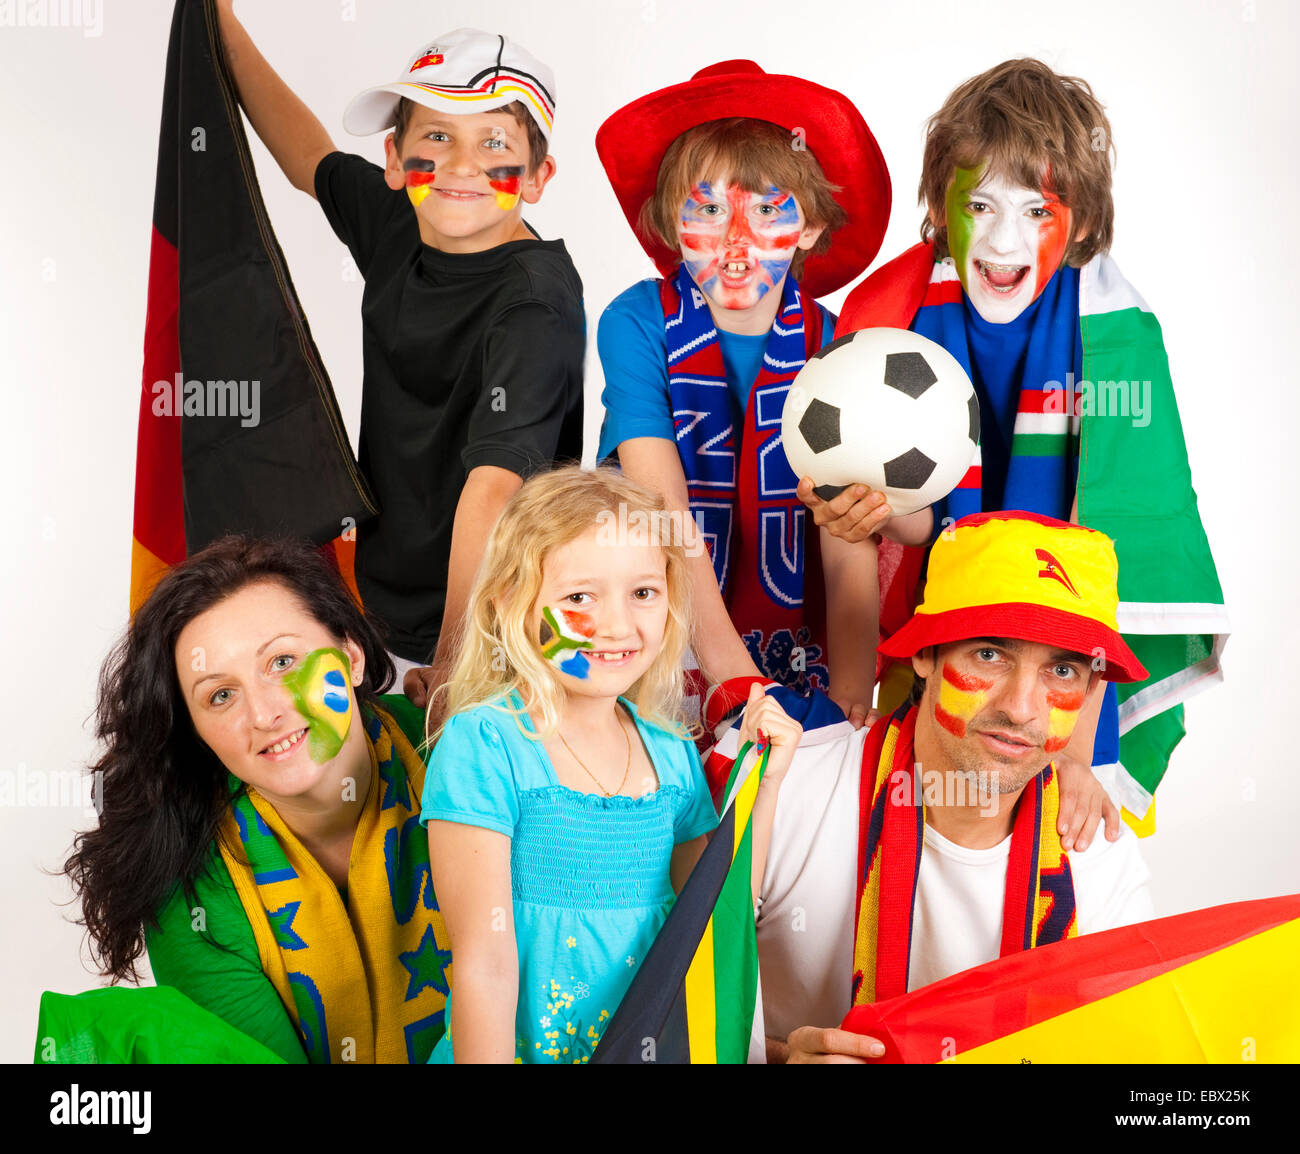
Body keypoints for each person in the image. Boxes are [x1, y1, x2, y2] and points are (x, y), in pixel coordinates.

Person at [818, 59, 1226, 829]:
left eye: (1037, 211)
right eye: (981, 205)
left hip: (1071, 674)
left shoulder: (1117, 336)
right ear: (943, 206)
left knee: (1060, 882)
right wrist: (849, 698)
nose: (1005, 241)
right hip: (939, 649)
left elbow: (1120, 544)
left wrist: (1079, 755)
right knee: (914, 848)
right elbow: (918, 529)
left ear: (1079, 220)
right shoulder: (889, 312)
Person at [215, 6, 585, 717]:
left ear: (538, 177)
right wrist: (219, 23)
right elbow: (307, 158)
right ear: (396, 159)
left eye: (494, 145)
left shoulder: (535, 304)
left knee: (459, 811)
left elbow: (496, 488)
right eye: (436, 138)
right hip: (379, 608)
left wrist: (456, 664)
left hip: (495, 625)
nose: (459, 167)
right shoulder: (398, 224)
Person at [709, 512, 1154, 1063]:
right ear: (924, 654)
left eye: (1061, 672)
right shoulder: (786, 786)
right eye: (989, 656)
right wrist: (779, 1059)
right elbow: (670, 1010)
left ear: (1091, 693)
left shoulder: (1099, 858)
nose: (1019, 708)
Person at [420, 466, 801, 1062]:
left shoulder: (670, 748)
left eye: (643, 593)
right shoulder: (485, 744)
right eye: (578, 598)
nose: (619, 626)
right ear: (510, 604)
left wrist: (768, 783)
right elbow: (484, 963)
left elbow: (714, 913)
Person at [593, 61, 928, 725]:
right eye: (709, 210)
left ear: (808, 229)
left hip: (805, 631)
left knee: (845, 508)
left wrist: (874, 508)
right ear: (670, 223)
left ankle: (849, 710)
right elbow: (664, 513)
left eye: (769, 210)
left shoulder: (839, 343)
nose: (736, 242)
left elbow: (913, 524)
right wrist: (734, 682)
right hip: (660, 605)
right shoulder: (636, 322)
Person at [62, 536, 450, 1063]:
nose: (264, 714)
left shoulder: (461, 746)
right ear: (196, 731)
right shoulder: (188, 888)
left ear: (351, 656)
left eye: (283, 662)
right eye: (220, 695)